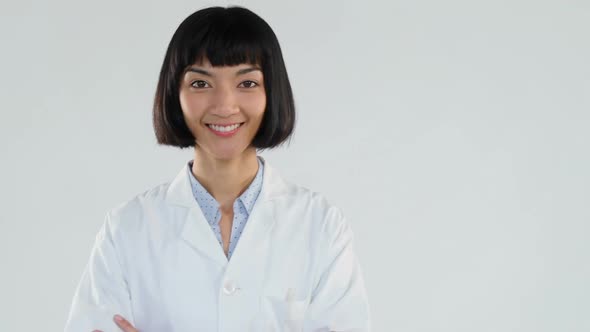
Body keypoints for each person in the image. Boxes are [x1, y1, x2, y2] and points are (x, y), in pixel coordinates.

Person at [65, 6, 370, 332]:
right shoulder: (126, 230)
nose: (224, 106)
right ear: (174, 94)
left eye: (247, 83)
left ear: (272, 92)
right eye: (200, 83)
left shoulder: (320, 226)